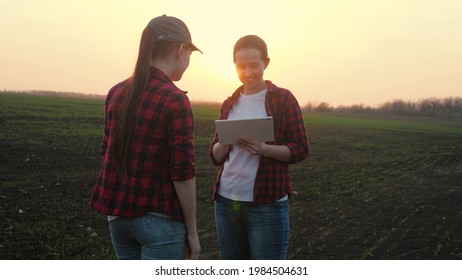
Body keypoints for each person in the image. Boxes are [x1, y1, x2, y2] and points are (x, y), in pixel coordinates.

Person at [89, 15, 202, 260]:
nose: (188, 60)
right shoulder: (175, 99)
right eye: (190, 54)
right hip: (159, 222)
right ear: (181, 50)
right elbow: (183, 172)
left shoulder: (116, 92)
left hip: (118, 219)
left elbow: (106, 151)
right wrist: (192, 231)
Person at [209, 35, 309, 260]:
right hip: (227, 202)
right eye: (241, 66)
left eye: (254, 65)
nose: (248, 72)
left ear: (266, 63)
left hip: (267, 204)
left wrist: (264, 149)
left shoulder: (282, 99)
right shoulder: (229, 103)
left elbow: (301, 148)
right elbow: (215, 156)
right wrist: (225, 143)